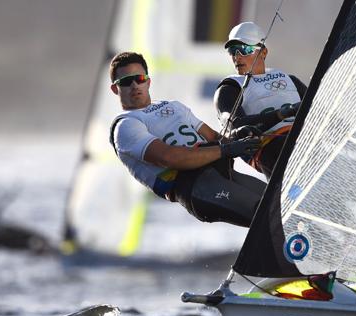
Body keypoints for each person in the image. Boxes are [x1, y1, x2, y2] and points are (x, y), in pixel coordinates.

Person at [109, 51, 266, 227]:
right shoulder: (125, 126)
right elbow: (169, 158)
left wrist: (240, 138)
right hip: (197, 187)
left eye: (139, 78)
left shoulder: (173, 106)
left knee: (278, 200)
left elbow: (214, 137)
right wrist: (227, 149)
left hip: (224, 173)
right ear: (115, 89)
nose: (134, 85)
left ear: (148, 81)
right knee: (265, 213)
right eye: (125, 81)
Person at [214, 22, 308, 179]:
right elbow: (236, 125)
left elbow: (319, 111)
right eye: (232, 51)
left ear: (263, 52)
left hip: (306, 140)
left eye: (245, 49)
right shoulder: (230, 88)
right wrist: (283, 113)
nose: (237, 57)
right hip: (271, 148)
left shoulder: (290, 79)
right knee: (282, 149)